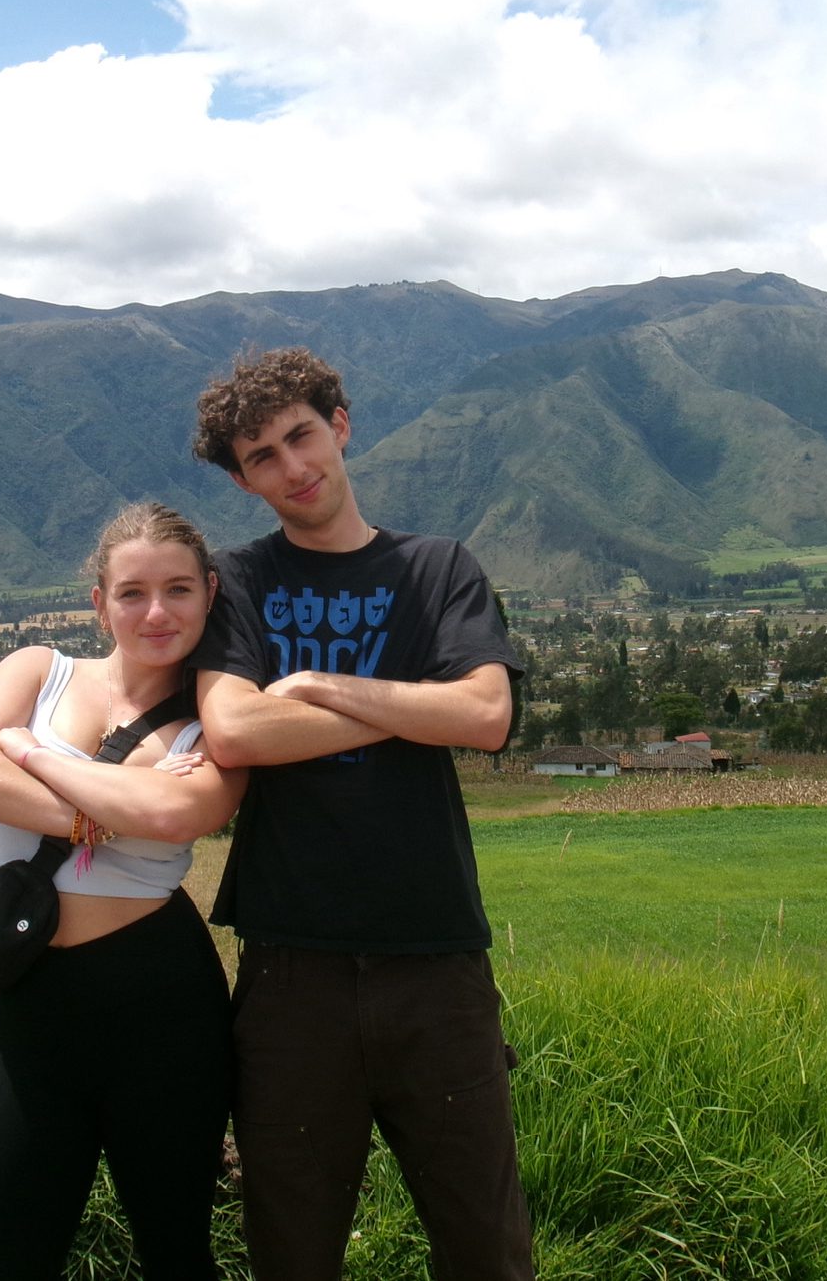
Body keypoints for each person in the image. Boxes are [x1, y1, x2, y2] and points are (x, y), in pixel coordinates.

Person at [186, 347, 534, 1280]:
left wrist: (323, 685)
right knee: (292, 1250)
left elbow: (487, 717)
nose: (293, 467)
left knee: (487, 1248)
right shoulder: (240, 582)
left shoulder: (437, 569)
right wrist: (414, 705)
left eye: (301, 435)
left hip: (437, 964)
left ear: (339, 425)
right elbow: (233, 732)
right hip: (291, 967)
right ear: (241, 479)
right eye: (263, 456)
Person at [0, 502, 246, 1281]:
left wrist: (28, 752)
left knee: (175, 1250)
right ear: (98, 602)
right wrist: (97, 814)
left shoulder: (219, 719)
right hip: (32, 997)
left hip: (162, 1004)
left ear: (209, 592)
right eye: (132, 592)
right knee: (2, 1256)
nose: (156, 611)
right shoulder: (38, 670)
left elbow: (176, 812)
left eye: (178, 589)